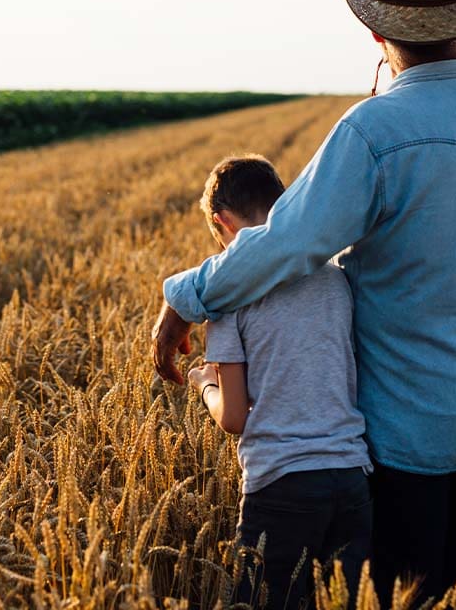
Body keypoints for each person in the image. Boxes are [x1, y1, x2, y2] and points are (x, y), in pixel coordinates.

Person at [151, 0, 456, 605]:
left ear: (377, 34)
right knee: (449, 591)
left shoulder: (374, 132)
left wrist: (186, 297)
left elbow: (285, 245)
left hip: (397, 438)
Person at [184, 154, 372, 610]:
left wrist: (204, 383)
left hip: (281, 485)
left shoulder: (229, 296)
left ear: (220, 221)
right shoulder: (334, 278)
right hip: (352, 477)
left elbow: (232, 418)